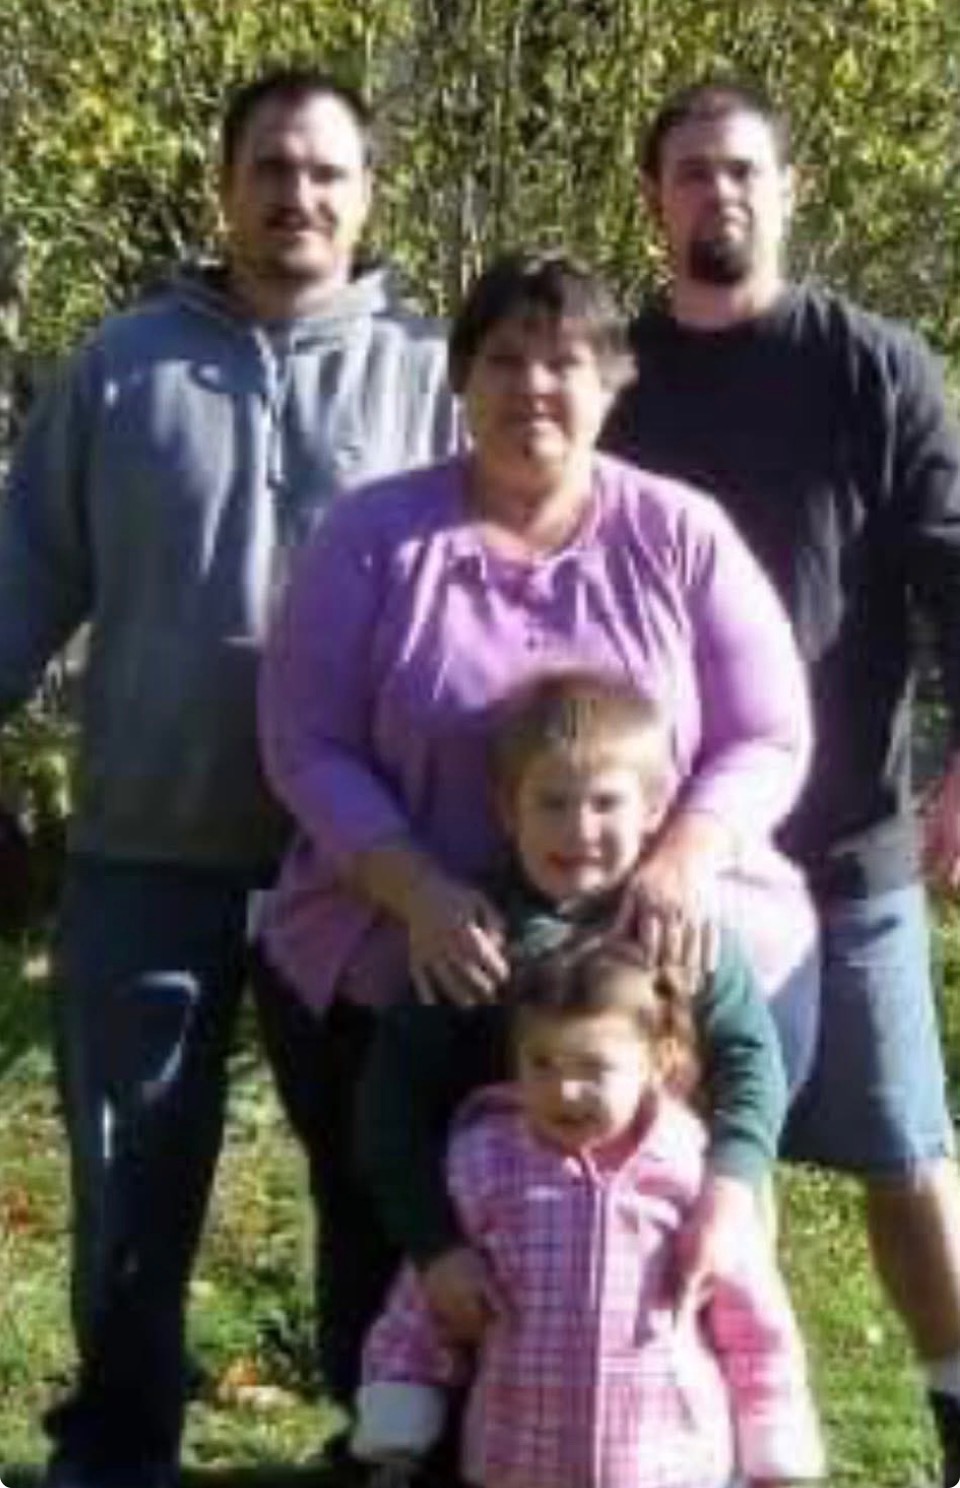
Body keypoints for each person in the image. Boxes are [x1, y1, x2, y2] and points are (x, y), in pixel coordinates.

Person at [256, 250, 819, 1422]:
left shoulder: (681, 532)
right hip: (413, 956)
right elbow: (304, 743)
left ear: (613, 379)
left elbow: (770, 732)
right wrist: (416, 889)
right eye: (504, 359)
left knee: (658, 1260)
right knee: (400, 1247)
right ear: (461, 377)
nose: (533, 386)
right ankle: (396, 1441)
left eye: (564, 360)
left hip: (653, 961)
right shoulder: (371, 537)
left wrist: (684, 855)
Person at [0, 66, 457, 1488]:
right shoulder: (121, 369)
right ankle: (118, 1448)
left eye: (326, 171)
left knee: (378, 1175)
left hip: (364, 864)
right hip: (150, 848)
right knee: (131, 1174)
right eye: (270, 166)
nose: (296, 195)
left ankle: (384, 1443)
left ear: (367, 195)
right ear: (225, 186)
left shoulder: (433, 375)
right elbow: (23, 576)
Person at [601, 77, 960, 1485]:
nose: (720, 193)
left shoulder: (874, 367)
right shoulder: (610, 377)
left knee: (906, 1158)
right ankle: (673, 1437)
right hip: (658, 865)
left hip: (846, 843)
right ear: (655, 199)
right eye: (692, 171)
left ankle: (954, 1407)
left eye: (743, 168)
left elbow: (951, 568)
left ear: (788, 189)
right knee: (658, 1164)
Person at [355, 668, 793, 1354]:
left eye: (605, 803)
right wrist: (436, 1248)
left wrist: (731, 1188)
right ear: (508, 810)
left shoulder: (679, 930)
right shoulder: (475, 939)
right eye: (552, 803)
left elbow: (750, 1060)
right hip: (506, 1266)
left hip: (668, 1251)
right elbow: (393, 1102)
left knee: (722, 1379)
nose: (579, 829)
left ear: (655, 808)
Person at [353, 936, 825, 1488]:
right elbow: (422, 1304)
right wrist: (399, 1424)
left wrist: (771, 1434)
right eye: (542, 1063)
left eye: (593, 1067)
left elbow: (755, 1326)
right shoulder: (484, 1165)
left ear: (657, 1062)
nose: (565, 1090)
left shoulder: (690, 1170)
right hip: (516, 1459)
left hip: (671, 1460)